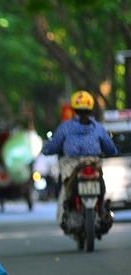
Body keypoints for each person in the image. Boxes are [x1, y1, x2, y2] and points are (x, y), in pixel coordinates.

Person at [42, 90, 118, 226]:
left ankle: (63, 214)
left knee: (65, 188)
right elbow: (111, 149)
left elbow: (52, 147)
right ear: (91, 108)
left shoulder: (65, 127)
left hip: (71, 165)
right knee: (102, 182)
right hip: (93, 164)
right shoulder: (98, 128)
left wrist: (47, 150)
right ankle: (102, 209)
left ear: (73, 109)